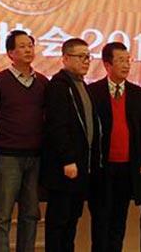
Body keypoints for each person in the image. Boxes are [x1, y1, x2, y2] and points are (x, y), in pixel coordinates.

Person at [87, 42, 141, 252]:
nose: (126, 65)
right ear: (107, 65)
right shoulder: (92, 91)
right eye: (121, 60)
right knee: (100, 219)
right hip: (101, 167)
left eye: (128, 60)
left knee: (119, 219)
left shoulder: (138, 93)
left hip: (127, 167)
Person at [0, 30, 48, 252]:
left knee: (30, 214)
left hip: (35, 157)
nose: (28, 50)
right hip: (7, 157)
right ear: (10, 53)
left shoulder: (43, 82)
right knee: (2, 216)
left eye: (30, 45)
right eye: (22, 46)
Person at [41, 38, 102, 252]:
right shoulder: (58, 86)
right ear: (65, 58)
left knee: (72, 220)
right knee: (59, 221)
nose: (86, 61)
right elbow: (57, 126)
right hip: (64, 169)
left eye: (88, 56)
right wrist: (67, 159)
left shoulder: (82, 85)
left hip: (82, 167)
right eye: (81, 56)